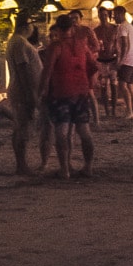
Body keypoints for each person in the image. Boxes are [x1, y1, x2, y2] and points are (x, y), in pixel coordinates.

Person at [41, 13, 96, 179]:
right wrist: (88, 82)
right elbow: (93, 65)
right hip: (81, 92)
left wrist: (43, 91)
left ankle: (64, 169)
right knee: (84, 131)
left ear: (58, 29)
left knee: (62, 132)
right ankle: (88, 167)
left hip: (61, 92)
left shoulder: (56, 47)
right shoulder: (82, 45)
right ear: (72, 27)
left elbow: (47, 72)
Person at [4, 13, 49, 175]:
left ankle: (21, 164)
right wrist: (31, 94)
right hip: (23, 92)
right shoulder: (20, 43)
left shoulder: (17, 42)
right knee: (23, 127)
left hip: (22, 91)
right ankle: (21, 165)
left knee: (21, 126)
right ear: (26, 26)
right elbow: (23, 69)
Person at [113, 6, 133, 120]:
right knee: (130, 87)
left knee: (123, 85)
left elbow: (125, 44)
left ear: (121, 14)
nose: (114, 17)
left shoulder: (123, 27)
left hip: (127, 61)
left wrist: (121, 60)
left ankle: (129, 111)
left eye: (115, 15)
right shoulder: (131, 27)